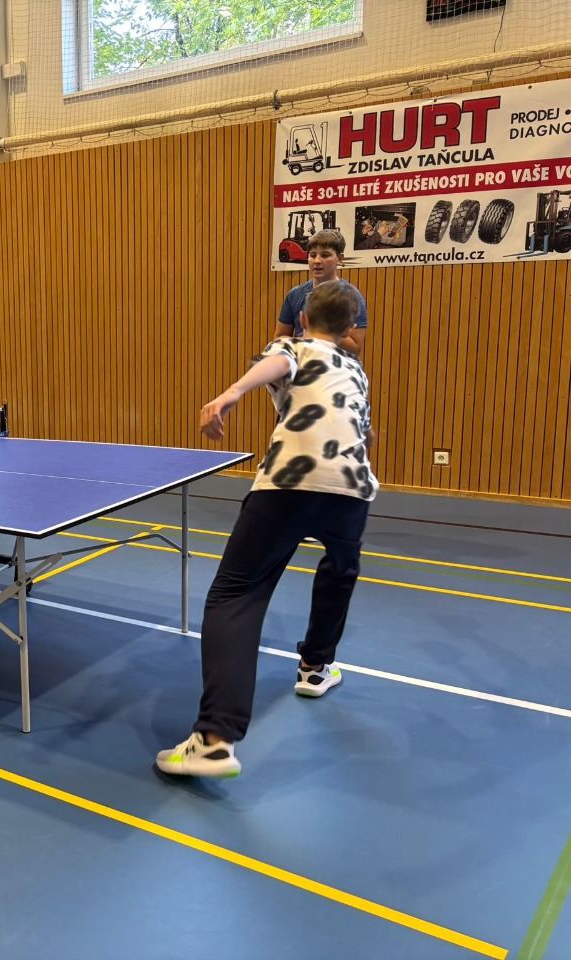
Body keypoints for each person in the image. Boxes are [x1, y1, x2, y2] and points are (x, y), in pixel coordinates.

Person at [158, 282, 377, 778]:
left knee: (236, 595)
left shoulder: (294, 344)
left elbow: (278, 362)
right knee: (340, 572)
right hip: (352, 489)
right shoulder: (356, 369)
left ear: (303, 320)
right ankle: (315, 668)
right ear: (350, 329)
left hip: (289, 483)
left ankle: (214, 740)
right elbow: (363, 431)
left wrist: (232, 392)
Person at [275, 228, 367, 357]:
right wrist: (305, 343)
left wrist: (323, 331)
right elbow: (279, 337)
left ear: (340, 259)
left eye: (325, 255)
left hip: (337, 367)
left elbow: (355, 348)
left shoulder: (352, 297)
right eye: (312, 255)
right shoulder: (295, 295)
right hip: (303, 365)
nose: (317, 261)